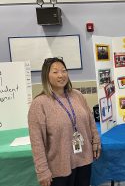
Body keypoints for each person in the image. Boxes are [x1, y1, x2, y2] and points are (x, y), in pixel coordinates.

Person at [28, 57, 101, 186]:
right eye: (55, 72)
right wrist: (42, 171)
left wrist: (96, 141)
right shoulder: (39, 103)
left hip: (84, 160)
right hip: (58, 167)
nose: (61, 75)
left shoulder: (77, 95)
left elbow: (90, 121)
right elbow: (37, 142)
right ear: (46, 76)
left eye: (64, 71)